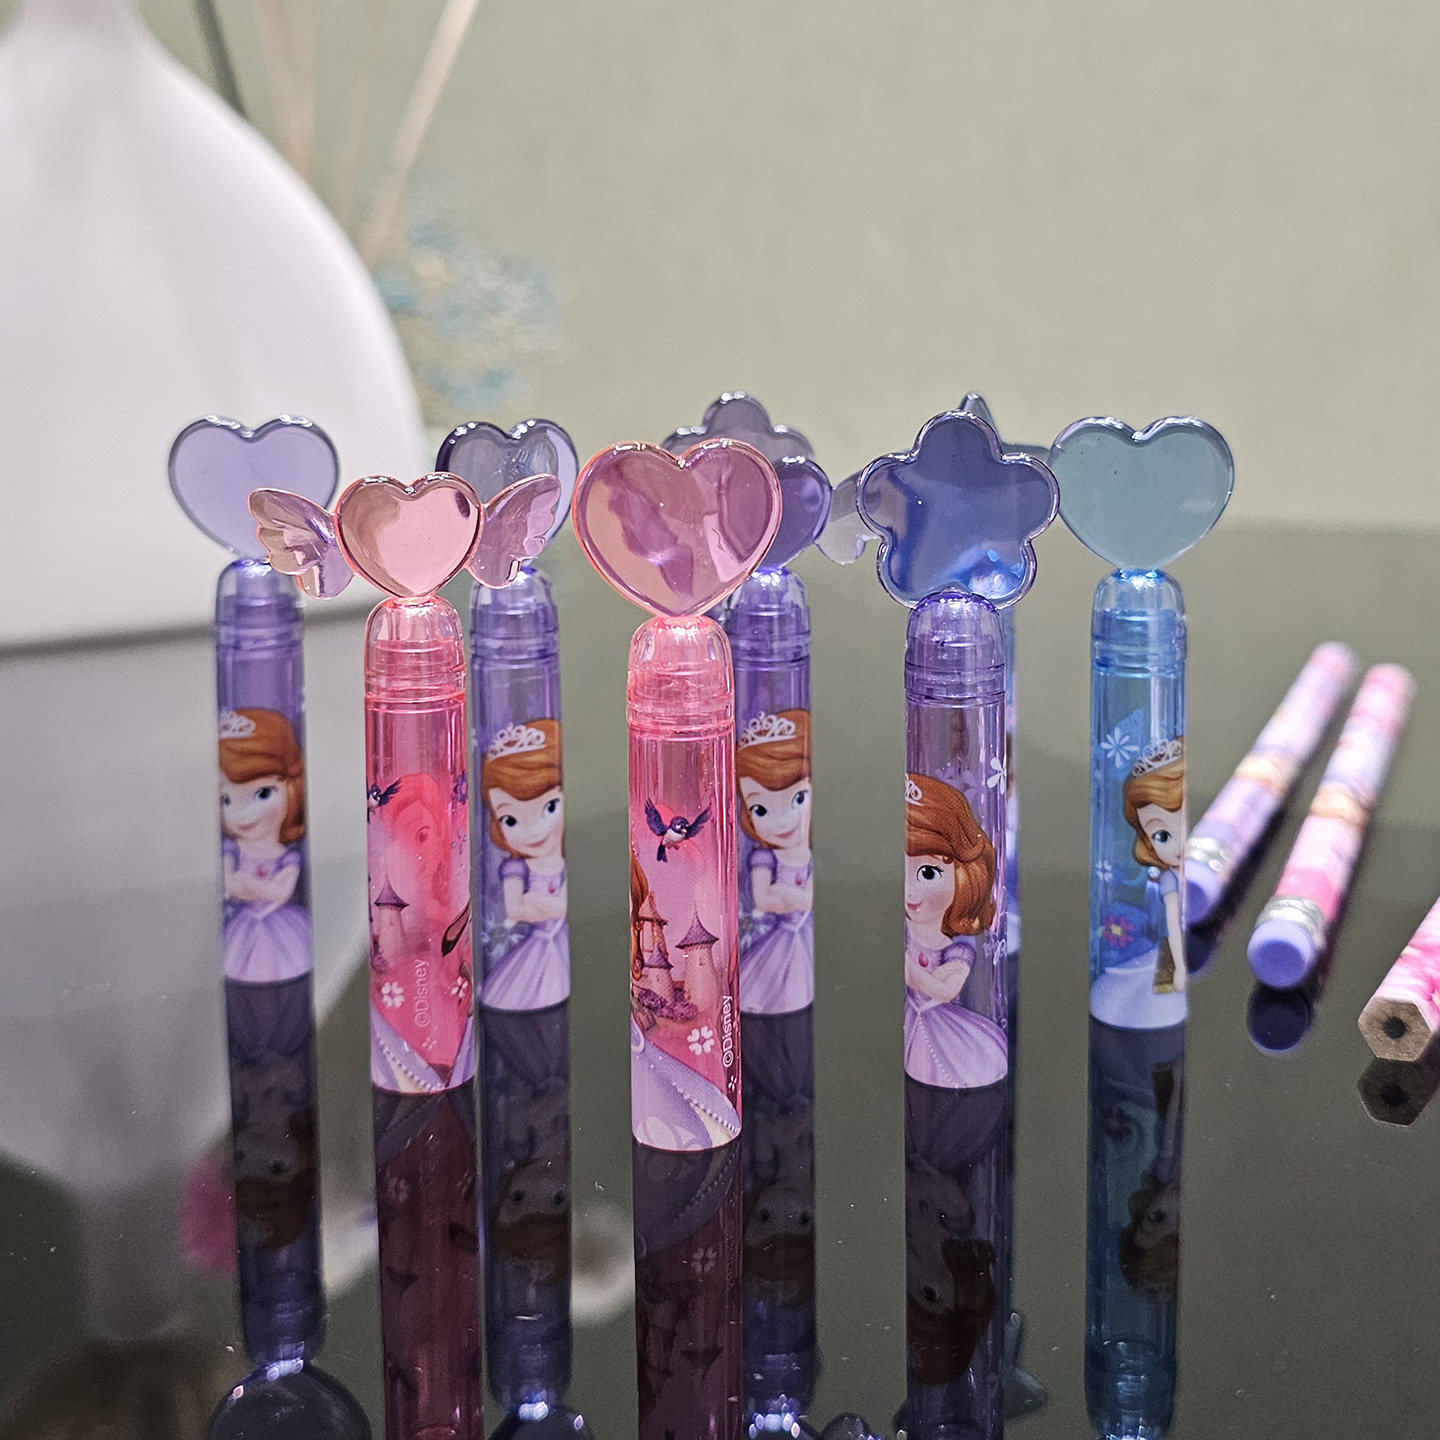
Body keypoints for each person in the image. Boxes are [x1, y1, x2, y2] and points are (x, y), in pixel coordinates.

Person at [903, 773, 1006, 1089]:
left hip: (947, 1032)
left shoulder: (958, 948)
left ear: (964, 876)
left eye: (928, 873)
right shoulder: (907, 930)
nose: (910, 890)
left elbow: (947, 990)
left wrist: (910, 970)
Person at [1091, 740, 1188, 1030]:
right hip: (1172, 953)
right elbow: (1172, 923)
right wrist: (1180, 966)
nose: (1177, 844)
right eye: (1161, 836)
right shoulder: (1169, 880)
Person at [479, 719, 569, 1010]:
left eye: (550, 807)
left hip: (560, 948)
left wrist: (534, 901)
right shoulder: (515, 869)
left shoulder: (559, 861)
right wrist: (542, 905)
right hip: (536, 949)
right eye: (511, 820)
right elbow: (515, 909)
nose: (533, 831)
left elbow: (559, 906)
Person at [219, 708, 310, 983]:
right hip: (241, 936)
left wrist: (248, 884)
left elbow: (282, 891)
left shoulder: (288, 856)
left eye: (262, 793)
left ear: (291, 788)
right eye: (225, 799)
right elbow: (228, 884)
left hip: (285, 932)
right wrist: (251, 886)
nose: (241, 814)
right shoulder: (232, 850)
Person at [736, 709, 814, 1015]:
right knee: (763, 991)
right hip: (777, 942)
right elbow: (762, 898)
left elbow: (804, 899)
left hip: (804, 941)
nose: (782, 821)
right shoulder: (764, 857)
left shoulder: (805, 851)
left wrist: (783, 893)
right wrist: (794, 897)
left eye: (797, 799)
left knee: (799, 991)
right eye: (761, 809)